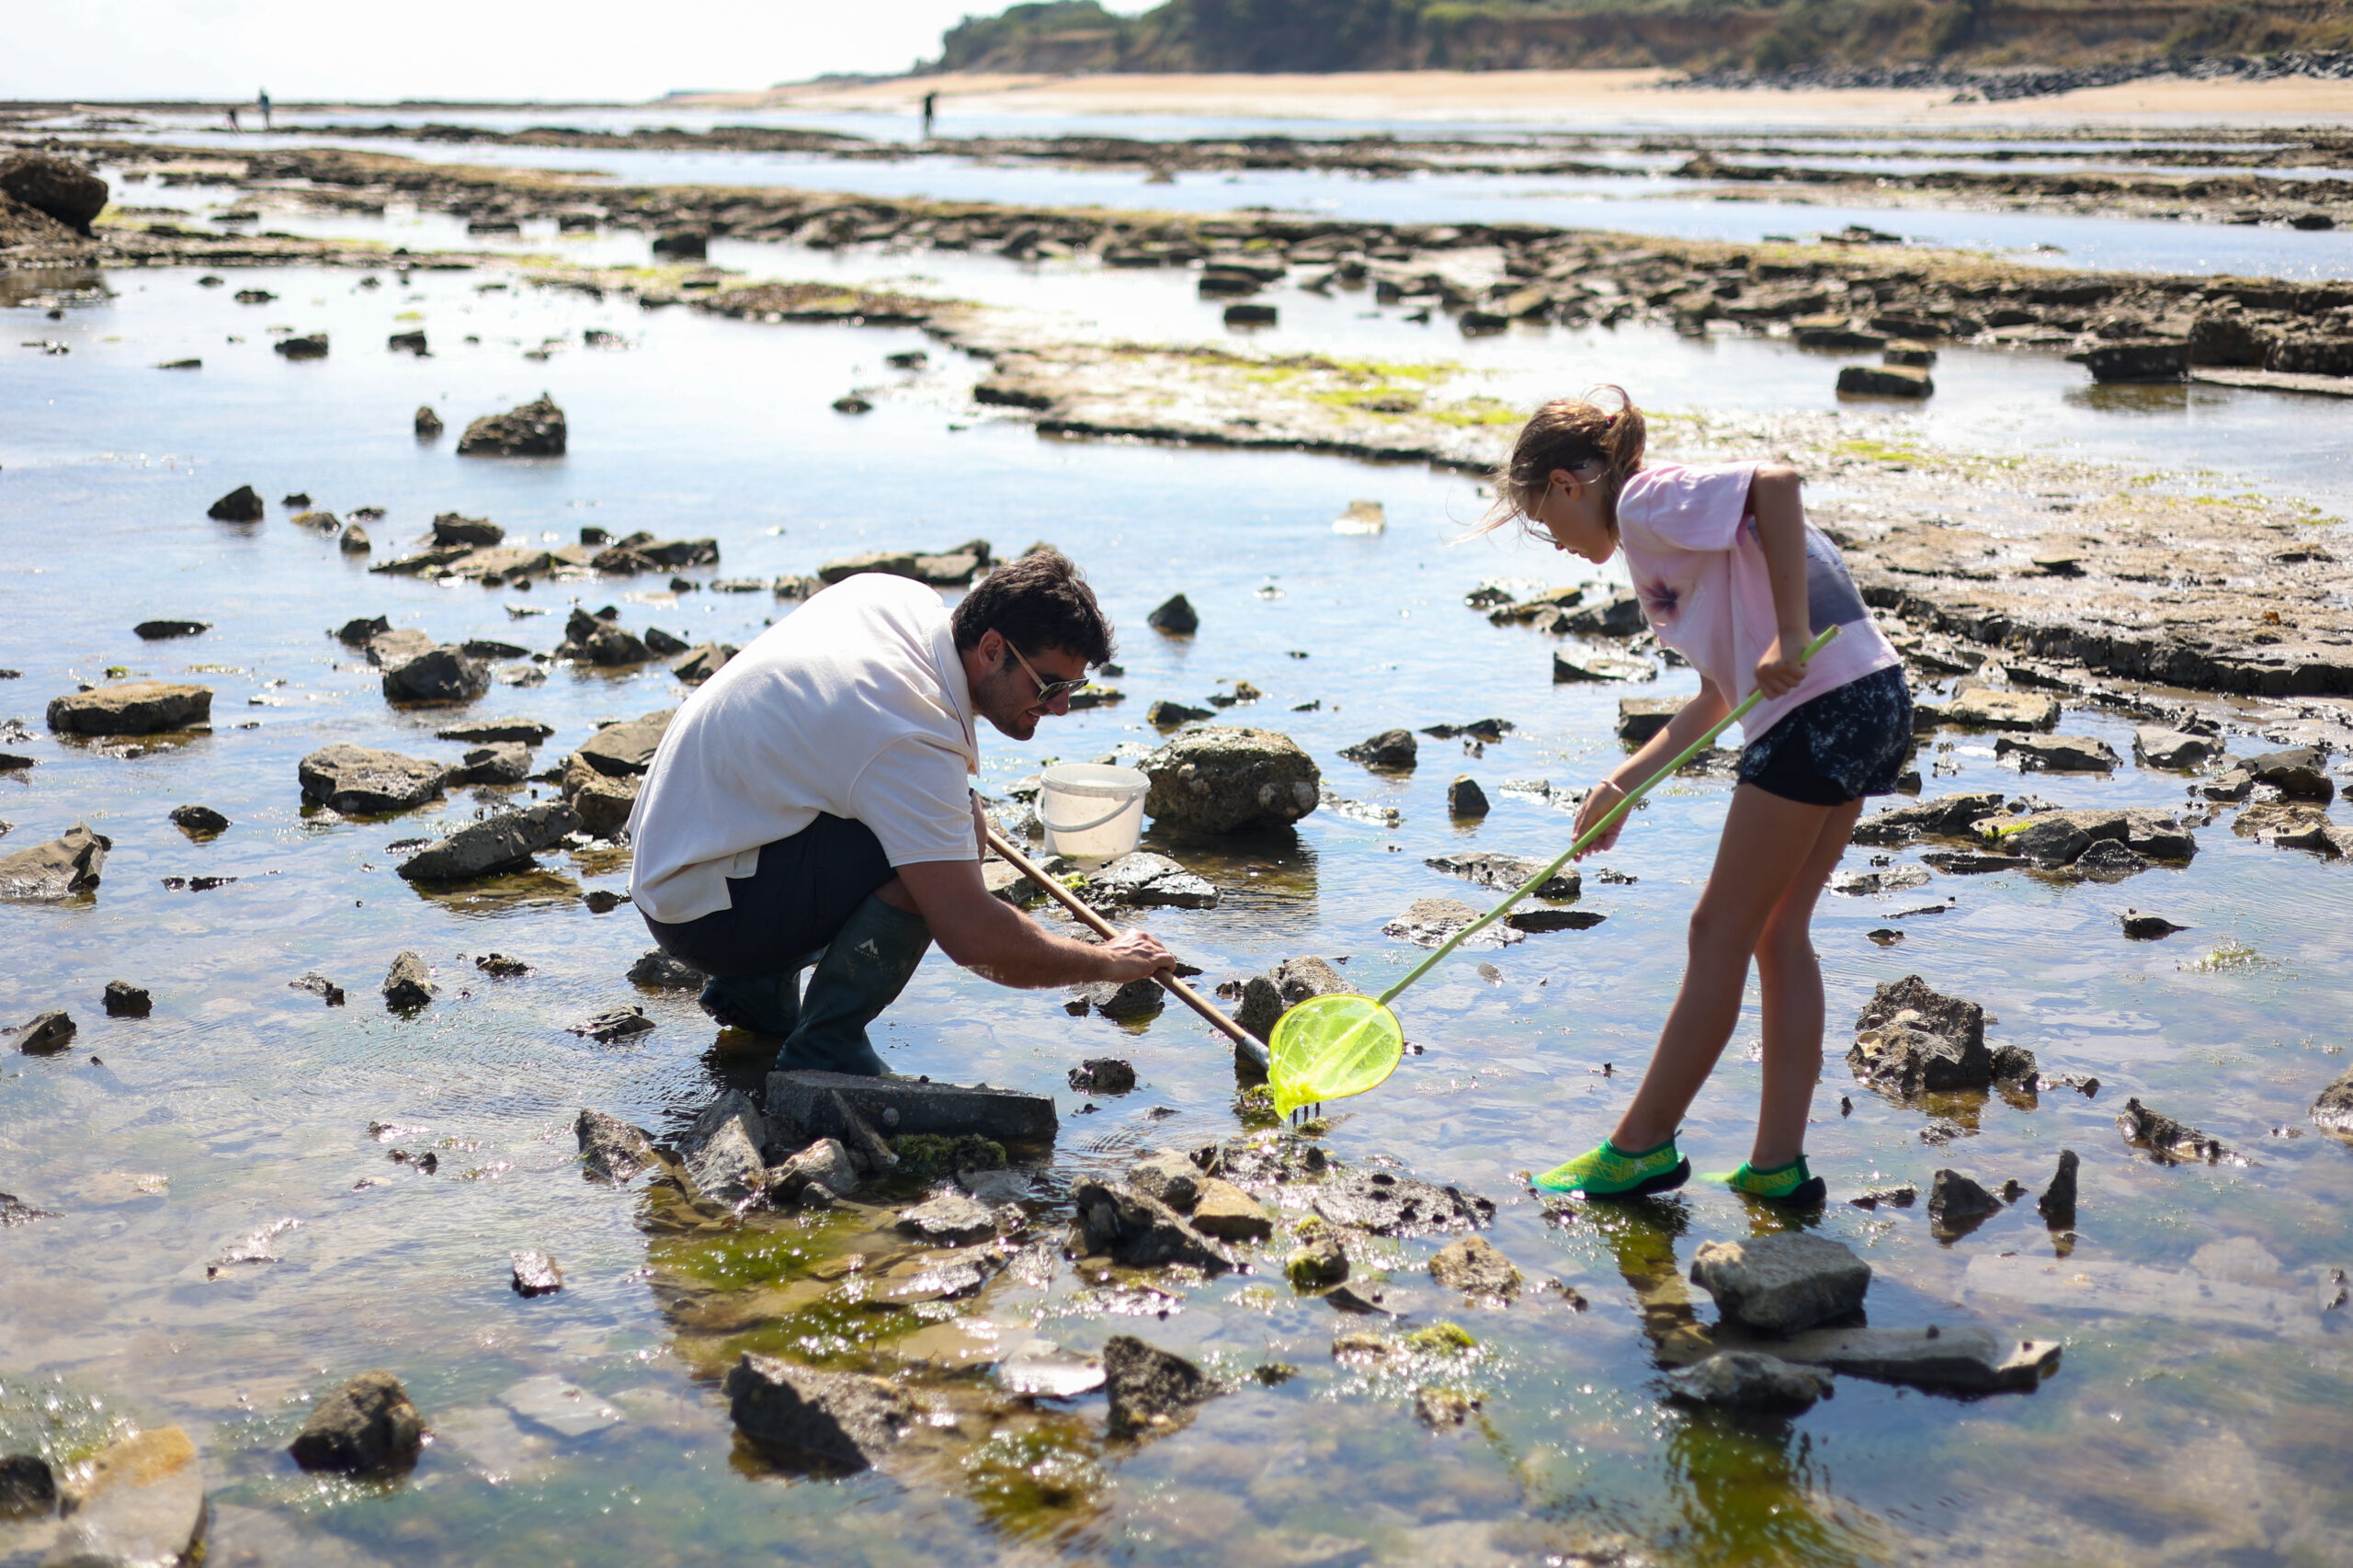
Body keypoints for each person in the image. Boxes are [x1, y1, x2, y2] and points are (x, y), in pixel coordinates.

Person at [1488, 389, 1910, 1206]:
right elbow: (1720, 696)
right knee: (1779, 931)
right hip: (1872, 698)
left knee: (1717, 929)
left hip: (1822, 704)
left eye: (1544, 519)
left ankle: (1639, 1146)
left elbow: (1776, 483)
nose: (1556, 543)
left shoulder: (1644, 501)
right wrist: (1623, 783)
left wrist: (1789, 633)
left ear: (1571, 483)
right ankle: (1777, 1167)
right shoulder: (1666, 541)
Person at [627, 550, 1173, 1076]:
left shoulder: (896, 599)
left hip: (681, 852)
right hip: (699, 916)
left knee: (948, 818)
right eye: (1050, 684)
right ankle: (826, 1045)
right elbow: (972, 935)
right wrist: (1103, 961)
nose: (1061, 706)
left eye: (1072, 687)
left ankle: (754, 992)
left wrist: (955, 810)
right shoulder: (909, 732)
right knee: (935, 857)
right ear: (990, 648)